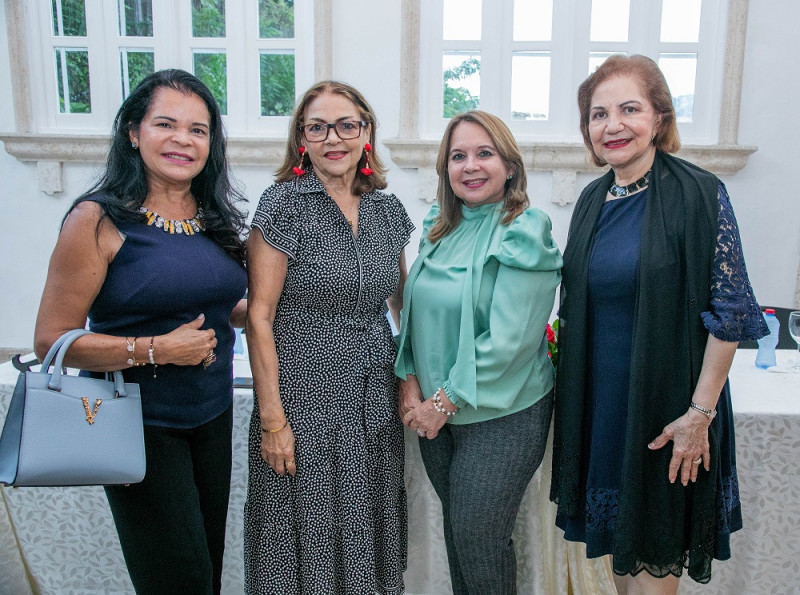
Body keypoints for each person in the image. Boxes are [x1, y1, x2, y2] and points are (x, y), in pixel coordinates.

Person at [550, 55, 768, 593]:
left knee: (653, 566)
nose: (612, 125)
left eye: (630, 109)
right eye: (598, 115)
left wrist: (699, 414)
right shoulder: (592, 200)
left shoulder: (700, 194)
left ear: (660, 118)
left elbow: (732, 313)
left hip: (668, 413)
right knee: (623, 566)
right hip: (603, 411)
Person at [33, 69, 248, 594]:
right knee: (179, 581)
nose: (183, 140)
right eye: (166, 124)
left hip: (212, 415)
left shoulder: (214, 216)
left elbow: (225, 307)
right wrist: (157, 350)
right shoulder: (97, 219)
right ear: (133, 131)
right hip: (140, 424)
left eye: (199, 130)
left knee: (209, 570)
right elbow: (51, 340)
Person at [244, 80, 412, 594]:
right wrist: (273, 418)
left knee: (366, 524)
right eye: (317, 127)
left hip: (372, 395)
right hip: (303, 396)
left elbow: (403, 308)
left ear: (366, 132)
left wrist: (409, 381)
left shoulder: (387, 210)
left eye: (346, 125)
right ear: (302, 138)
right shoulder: (282, 205)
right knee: (303, 529)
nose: (332, 138)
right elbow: (259, 316)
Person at [395, 110, 563, 594]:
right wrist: (408, 380)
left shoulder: (525, 230)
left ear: (509, 165)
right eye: (458, 156)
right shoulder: (438, 225)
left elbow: (511, 341)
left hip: (500, 413)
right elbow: (413, 313)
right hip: (433, 413)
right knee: (459, 536)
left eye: (484, 153)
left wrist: (442, 403)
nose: (470, 165)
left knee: (479, 541)